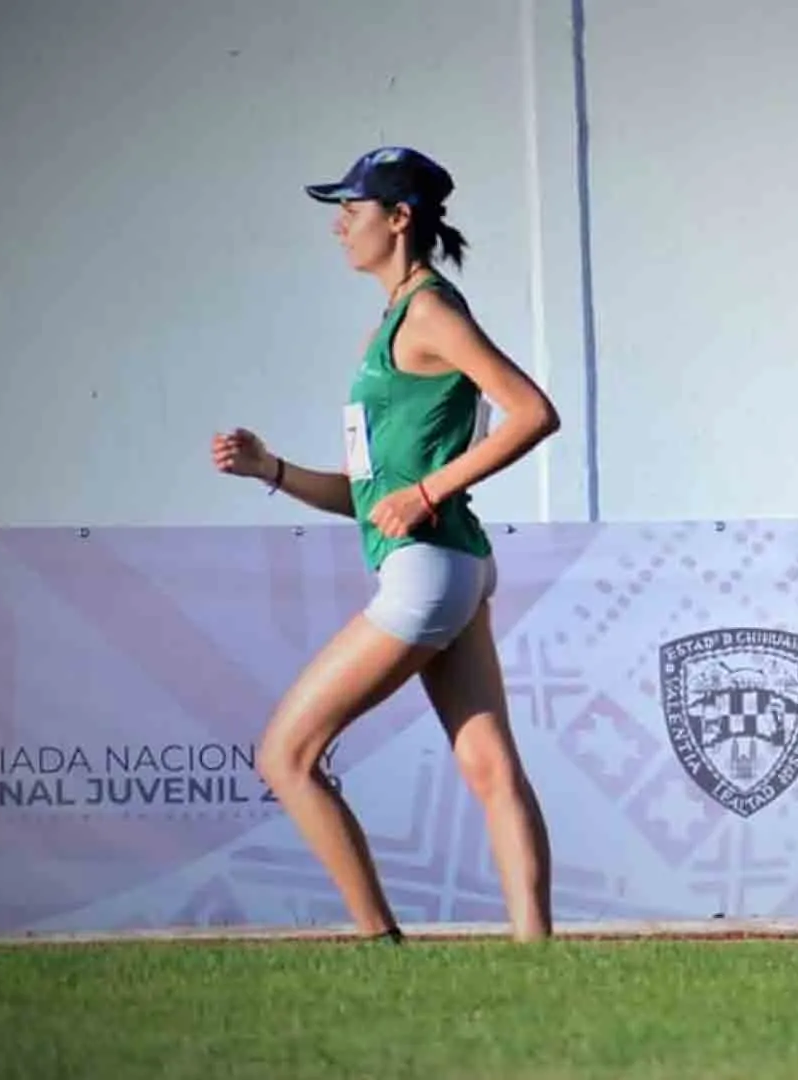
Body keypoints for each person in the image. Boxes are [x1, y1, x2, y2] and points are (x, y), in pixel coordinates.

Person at [211, 146, 560, 943]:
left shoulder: (431, 311)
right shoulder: (397, 318)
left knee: (286, 756)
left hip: (431, 571)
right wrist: (274, 470)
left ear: (399, 219)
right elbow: (376, 500)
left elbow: (534, 413)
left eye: (352, 209)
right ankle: (539, 956)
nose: (339, 226)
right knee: (490, 767)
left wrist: (429, 490)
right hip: (454, 564)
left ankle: (377, 942)